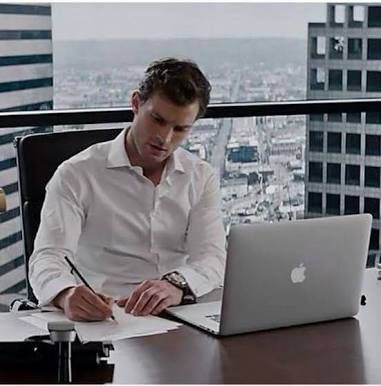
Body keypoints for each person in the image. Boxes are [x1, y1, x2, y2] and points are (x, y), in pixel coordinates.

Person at [29, 57, 226, 321]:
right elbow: (47, 257)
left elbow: (212, 257)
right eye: (157, 119)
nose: (165, 138)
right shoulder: (76, 175)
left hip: (182, 314)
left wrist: (176, 285)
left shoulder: (200, 177)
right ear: (136, 103)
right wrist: (65, 294)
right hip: (107, 316)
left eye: (180, 129)